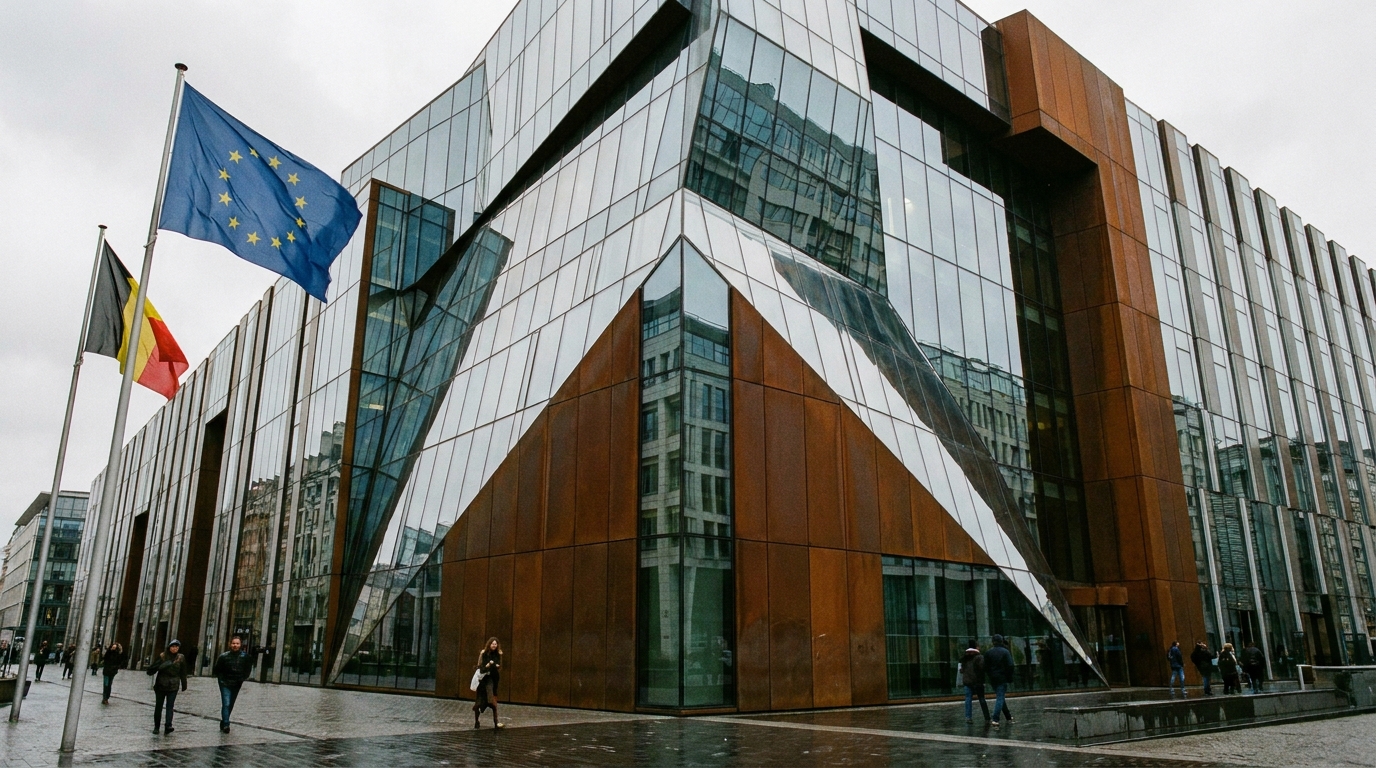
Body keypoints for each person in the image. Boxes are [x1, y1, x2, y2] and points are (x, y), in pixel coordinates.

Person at [212, 635, 255, 733]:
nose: (235, 645)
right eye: (233, 643)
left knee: (231, 704)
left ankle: (223, 721)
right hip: (225, 683)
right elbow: (217, 670)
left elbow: (247, 670)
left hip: (236, 683)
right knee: (226, 703)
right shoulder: (223, 657)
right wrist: (222, 680)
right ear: (230, 644)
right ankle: (226, 724)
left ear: (240, 645)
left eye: (237, 643)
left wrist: (242, 678)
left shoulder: (245, 657)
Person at [146, 640, 188, 735]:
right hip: (161, 684)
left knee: (170, 706)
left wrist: (184, 684)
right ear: (169, 647)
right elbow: (152, 669)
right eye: (173, 646)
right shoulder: (162, 656)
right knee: (159, 706)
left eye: (177, 647)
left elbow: (183, 671)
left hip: (173, 685)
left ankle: (168, 725)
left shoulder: (181, 658)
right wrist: (159, 667)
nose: (175, 648)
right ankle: (156, 726)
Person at [984, 634, 1015, 727]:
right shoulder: (1005, 652)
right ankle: (995, 718)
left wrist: (989, 674)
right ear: (1001, 641)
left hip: (993, 677)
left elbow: (985, 666)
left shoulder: (988, 652)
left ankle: (1008, 716)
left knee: (1000, 696)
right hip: (1002, 676)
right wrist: (1009, 676)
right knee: (1000, 697)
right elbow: (1010, 665)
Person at [473, 637, 503, 729]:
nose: (494, 645)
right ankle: (476, 721)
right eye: (492, 643)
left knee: (492, 701)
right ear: (489, 644)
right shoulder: (483, 653)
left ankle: (496, 722)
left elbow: (499, 666)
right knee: (479, 702)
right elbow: (480, 667)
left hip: (492, 679)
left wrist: (495, 666)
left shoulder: (498, 654)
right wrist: (487, 665)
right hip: (483, 679)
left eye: (495, 644)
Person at [959, 642, 991, 725]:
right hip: (977, 681)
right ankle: (987, 717)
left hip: (967, 681)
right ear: (976, 647)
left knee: (968, 699)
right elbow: (982, 668)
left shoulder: (964, 658)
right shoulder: (979, 657)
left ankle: (968, 717)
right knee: (981, 699)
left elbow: (961, 670)